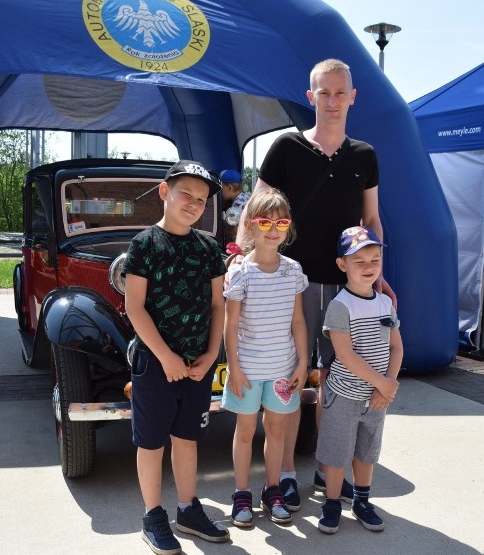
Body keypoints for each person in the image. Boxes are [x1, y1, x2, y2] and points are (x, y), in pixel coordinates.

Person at [234, 58, 396, 511]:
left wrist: (378, 276)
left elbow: (371, 219)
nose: (331, 100)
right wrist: (243, 261)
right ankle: (284, 473)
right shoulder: (285, 147)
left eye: (339, 92)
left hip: (345, 288)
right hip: (288, 282)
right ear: (311, 97)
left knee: (338, 382)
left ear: (352, 97)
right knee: (289, 377)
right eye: (323, 93)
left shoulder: (365, 155)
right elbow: (255, 210)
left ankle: (331, 473)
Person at [123, 160, 230, 554]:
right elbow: (135, 307)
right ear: (164, 192)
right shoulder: (145, 245)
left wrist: (212, 352)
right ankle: (153, 515)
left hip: (198, 365)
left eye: (202, 200)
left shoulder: (208, 248)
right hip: (155, 365)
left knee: (187, 439)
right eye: (187, 194)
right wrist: (166, 356)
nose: (194, 203)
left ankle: (188, 508)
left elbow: (218, 304)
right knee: (151, 443)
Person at [222, 188, 309, 527]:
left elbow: (298, 320)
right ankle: (241, 494)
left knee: (276, 430)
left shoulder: (293, 271)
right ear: (252, 227)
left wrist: (302, 362)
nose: (273, 229)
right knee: (245, 432)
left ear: (289, 228)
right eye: (265, 222)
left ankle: (272, 490)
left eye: (281, 222)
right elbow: (231, 327)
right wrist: (234, 369)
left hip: (283, 372)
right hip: (247, 371)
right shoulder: (241, 272)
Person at [316, 226, 402, 534]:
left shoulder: (385, 304)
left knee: (367, 452)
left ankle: (363, 501)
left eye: (374, 260)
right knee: (338, 453)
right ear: (343, 265)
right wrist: (383, 383)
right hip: (345, 394)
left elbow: (396, 346)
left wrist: (388, 384)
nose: (368, 267)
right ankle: (332, 502)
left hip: (377, 397)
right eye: (359, 261)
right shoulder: (341, 306)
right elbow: (346, 355)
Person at [220, 169, 251, 247]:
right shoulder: (246, 197)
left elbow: (236, 230)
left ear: (229, 187)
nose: (220, 190)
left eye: (221, 187)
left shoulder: (237, 205)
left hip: (245, 244)